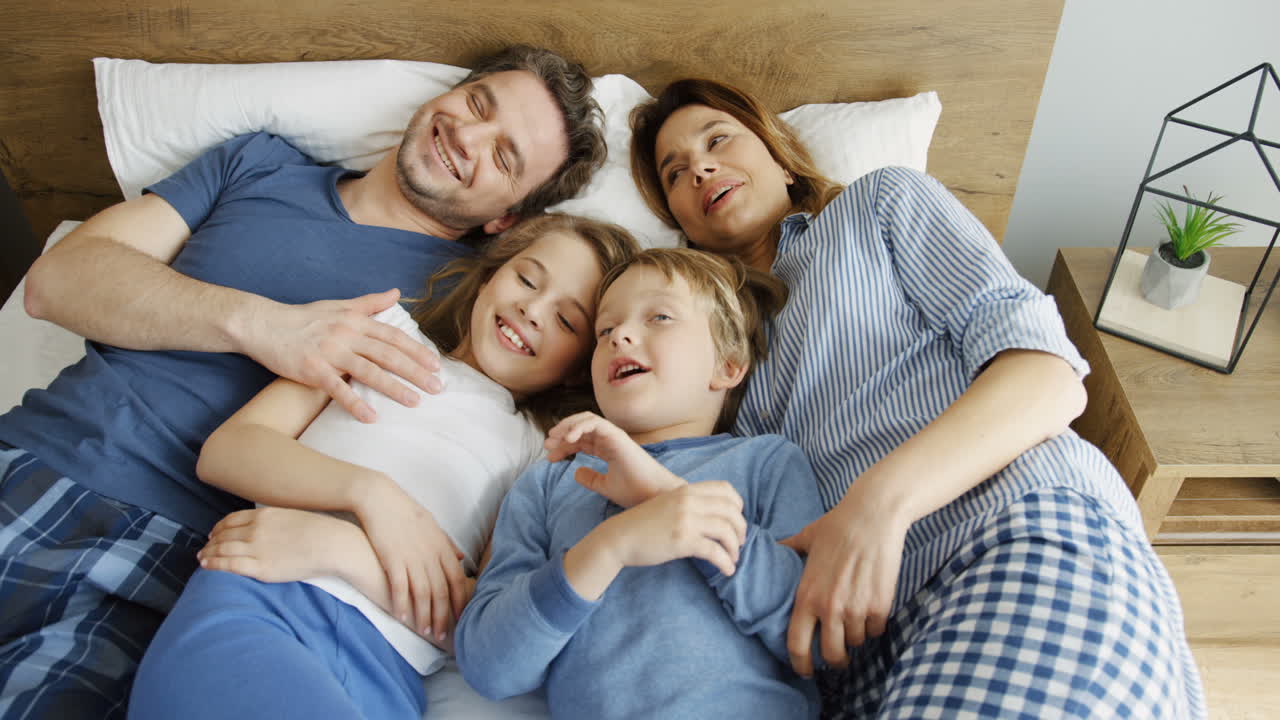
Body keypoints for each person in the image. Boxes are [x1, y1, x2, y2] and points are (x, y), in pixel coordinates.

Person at [0, 45, 606, 720]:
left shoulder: (467, 298)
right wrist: (261, 326)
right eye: (477, 105)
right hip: (32, 459)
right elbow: (56, 282)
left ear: (507, 224)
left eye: (504, 157)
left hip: (173, 550)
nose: (467, 136)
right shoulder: (259, 162)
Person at [628, 79, 1206, 719]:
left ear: (779, 154)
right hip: (848, 650)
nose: (700, 168)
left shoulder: (877, 207)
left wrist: (876, 506)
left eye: (717, 140)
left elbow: (1048, 375)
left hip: (999, 532)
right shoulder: (707, 349)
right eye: (675, 173)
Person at [128, 213, 640, 720]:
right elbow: (229, 450)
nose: (533, 309)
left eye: (567, 320)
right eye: (527, 279)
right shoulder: (384, 337)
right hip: (266, 601)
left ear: (581, 364)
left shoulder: (541, 454)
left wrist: (343, 550)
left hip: (389, 676)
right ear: (490, 275)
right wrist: (370, 495)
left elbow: (484, 626)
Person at [454, 247, 825, 720]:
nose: (621, 335)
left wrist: (665, 498)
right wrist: (611, 546)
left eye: (660, 317)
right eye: (604, 330)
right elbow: (488, 665)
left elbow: (815, 638)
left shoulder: (765, 462)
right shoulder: (549, 481)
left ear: (727, 365)